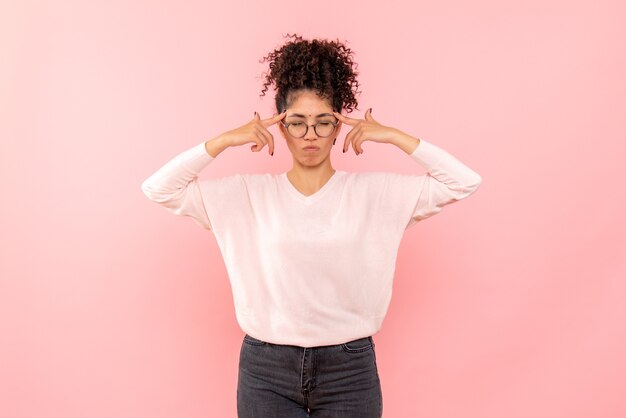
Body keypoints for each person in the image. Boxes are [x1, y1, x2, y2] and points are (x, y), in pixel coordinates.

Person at [141, 33, 482, 418]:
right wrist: (222, 142)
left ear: (339, 127)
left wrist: (393, 136)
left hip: (349, 368)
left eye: (323, 123)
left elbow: (463, 181)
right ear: (281, 127)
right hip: (265, 369)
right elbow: (158, 189)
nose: (310, 136)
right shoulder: (245, 197)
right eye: (298, 123)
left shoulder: (375, 193)